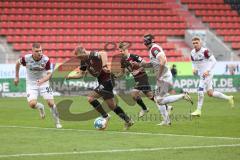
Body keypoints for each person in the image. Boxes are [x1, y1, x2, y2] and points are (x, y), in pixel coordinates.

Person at [66, 46, 134, 130]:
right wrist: (70, 77)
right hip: (102, 81)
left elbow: (103, 53)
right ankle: (128, 120)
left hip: (108, 80)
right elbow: (81, 74)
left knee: (91, 98)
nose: (80, 58)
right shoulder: (83, 61)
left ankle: (105, 116)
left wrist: (105, 66)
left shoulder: (92, 54)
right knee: (112, 106)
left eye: (80, 56)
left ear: (83, 52)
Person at [138, 34, 193, 126]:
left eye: (145, 41)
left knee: (158, 100)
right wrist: (143, 65)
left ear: (148, 41)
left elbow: (162, 61)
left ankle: (183, 96)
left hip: (163, 76)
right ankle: (166, 121)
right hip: (164, 76)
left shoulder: (154, 49)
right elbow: (153, 63)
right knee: (158, 99)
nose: (145, 43)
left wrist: (159, 75)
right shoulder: (153, 49)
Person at [14, 43, 62, 128]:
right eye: (37, 51)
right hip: (31, 83)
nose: (39, 52)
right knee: (32, 104)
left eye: (40, 50)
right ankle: (40, 107)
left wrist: (42, 80)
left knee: (51, 103)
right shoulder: (26, 58)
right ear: (32, 51)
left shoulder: (45, 59)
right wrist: (17, 77)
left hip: (44, 82)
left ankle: (57, 122)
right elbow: (17, 63)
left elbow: (49, 74)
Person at [117, 41, 165, 118]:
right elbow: (122, 72)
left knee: (133, 94)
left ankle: (145, 108)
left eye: (121, 51)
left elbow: (145, 64)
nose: (120, 52)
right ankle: (165, 106)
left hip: (142, 77)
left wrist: (138, 70)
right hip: (136, 79)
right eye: (119, 51)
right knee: (150, 96)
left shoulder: (134, 57)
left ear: (126, 49)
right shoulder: (122, 60)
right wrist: (115, 76)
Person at [190, 36, 234, 116]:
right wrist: (193, 68)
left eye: (197, 43)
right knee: (210, 93)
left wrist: (208, 70)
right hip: (201, 74)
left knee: (200, 90)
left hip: (207, 74)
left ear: (200, 43)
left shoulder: (205, 51)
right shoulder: (192, 52)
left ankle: (198, 110)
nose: (195, 44)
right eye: (194, 43)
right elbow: (193, 62)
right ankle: (229, 98)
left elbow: (214, 61)